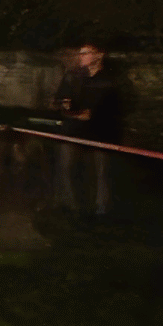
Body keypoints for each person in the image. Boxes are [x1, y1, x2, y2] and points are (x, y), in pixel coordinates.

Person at [53, 42, 121, 216]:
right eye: (80, 53)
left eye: (86, 53)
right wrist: (65, 104)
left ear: (99, 55)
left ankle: (102, 210)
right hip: (73, 130)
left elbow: (115, 106)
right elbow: (60, 98)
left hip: (101, 132)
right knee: (67, 167)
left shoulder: (110, 79)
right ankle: (71, 206)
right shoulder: (73, 77)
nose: (81, 56)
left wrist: (94, 113)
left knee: (102, 172)